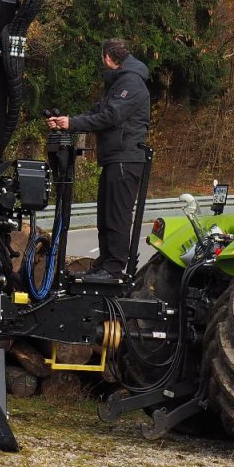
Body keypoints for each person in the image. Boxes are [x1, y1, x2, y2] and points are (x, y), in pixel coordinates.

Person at [47, 37, 150, 283]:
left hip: (126, 158)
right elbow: (98, 112)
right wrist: (68, 122)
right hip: (114, 158)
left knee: (117, 215)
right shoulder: (118, 83)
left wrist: (73, 124)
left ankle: (114, 268)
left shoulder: (131, 83)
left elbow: (111, 116)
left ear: (107, 58)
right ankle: (104, 264)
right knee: (105, 215)